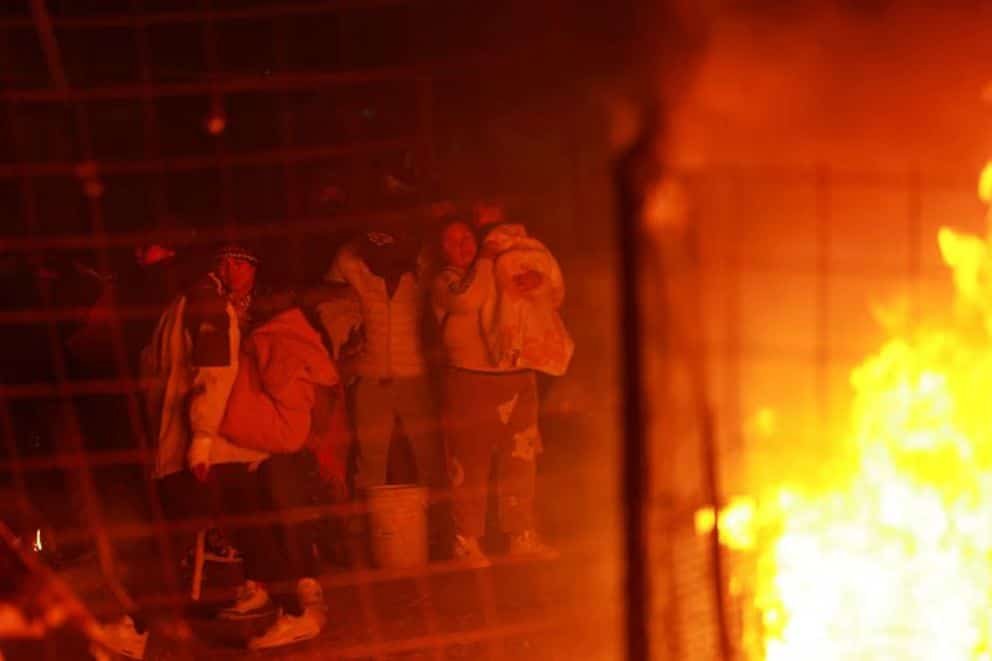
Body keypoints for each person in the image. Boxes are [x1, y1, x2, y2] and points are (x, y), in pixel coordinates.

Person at [216, 303, 353, 649]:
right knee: (271, 505)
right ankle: (277, 591)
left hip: (290, 436)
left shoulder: (274, 335)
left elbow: (285, 383)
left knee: (286, 507)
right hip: (284, 435)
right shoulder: (297, 328)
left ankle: (303, 603)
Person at [431, 218, 562, 567]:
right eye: (451, 241)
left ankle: (521, 534)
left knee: (520, 459)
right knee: (469, 464)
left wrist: (537, 282)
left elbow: (547, 300)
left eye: (466, 238)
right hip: (469, 382)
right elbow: (468, 299)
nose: (462, 246)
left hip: (517, 378)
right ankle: (466, 541)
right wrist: (487, 257)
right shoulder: (446, 281)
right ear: (440, 250)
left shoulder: (501, 270)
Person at [325, 231, 443, 493]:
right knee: (370, 460)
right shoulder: (349, 257)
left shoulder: (424, 257)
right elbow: (332, 302)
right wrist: (345, 337)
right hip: (371, 375)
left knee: (429, 456)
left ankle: (434, 514)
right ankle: (372, 515)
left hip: (415, 374)